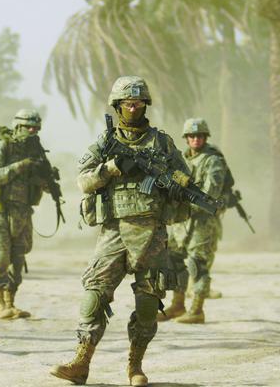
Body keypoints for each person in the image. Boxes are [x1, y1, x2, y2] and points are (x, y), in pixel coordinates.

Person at [50, 76, 190, 387]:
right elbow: (83, 181)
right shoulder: (104, 143)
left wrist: (169, 178)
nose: (133, 106)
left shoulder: (163, 143)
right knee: (94, 294)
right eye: (127, 102)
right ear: (117, 106)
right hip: (113, 230)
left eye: (138, 102)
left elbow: (185, 180)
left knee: (148, 302)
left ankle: (135, 367)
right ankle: (81, 362)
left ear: (145, 104)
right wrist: (112, 168)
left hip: (152, 231)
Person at [0, 109, 57, 320]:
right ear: (17, 126)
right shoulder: (3, 146)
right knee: (0, 256)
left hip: (22, 212)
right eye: (28, 127)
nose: (32, 131)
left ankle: (10, 303)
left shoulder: (36, 151)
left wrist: (48, 180)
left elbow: (42, 181)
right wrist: (21, 166)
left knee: (18, 258)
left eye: (35, 128)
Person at [158, 118, 230, 325]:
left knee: (197, 264)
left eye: (199, 136)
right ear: (186, 138)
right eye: (191, 136)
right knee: (175, 261)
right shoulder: (180, 160)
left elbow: (210, 193)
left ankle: (197, 310)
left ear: (205, 137)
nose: (195, 139)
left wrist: (180, 197)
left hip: (203, 222)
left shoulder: (213, 160)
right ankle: (178, 305)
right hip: (182, 222)